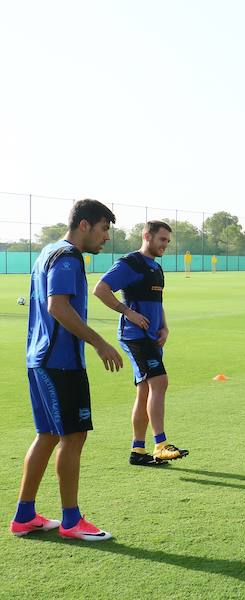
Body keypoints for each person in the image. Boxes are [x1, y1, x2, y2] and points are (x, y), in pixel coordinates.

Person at [10, 199, 122, 541]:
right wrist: (100, 342)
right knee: (73, 436)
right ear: (84, 225)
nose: (106, 238)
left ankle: (25, 515)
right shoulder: (69, 256)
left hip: (39, 358)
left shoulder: (47, 251)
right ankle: (71, 521)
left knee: (48, 435)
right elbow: (57, 306)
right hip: (60, 362)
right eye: (104, 229)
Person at [93, 221, 188, 467]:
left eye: (168, 240)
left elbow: (157, 303)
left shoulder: (156, 268)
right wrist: (128, 312)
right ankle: (161, 445)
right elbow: (101, 289)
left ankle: (138, 450)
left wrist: (164, 326)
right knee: (160, 381)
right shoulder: (130, 263)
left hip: (152, 336)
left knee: (145, 389)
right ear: (147, 236)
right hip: (134, 335)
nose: (165, 244)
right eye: (162, 239)